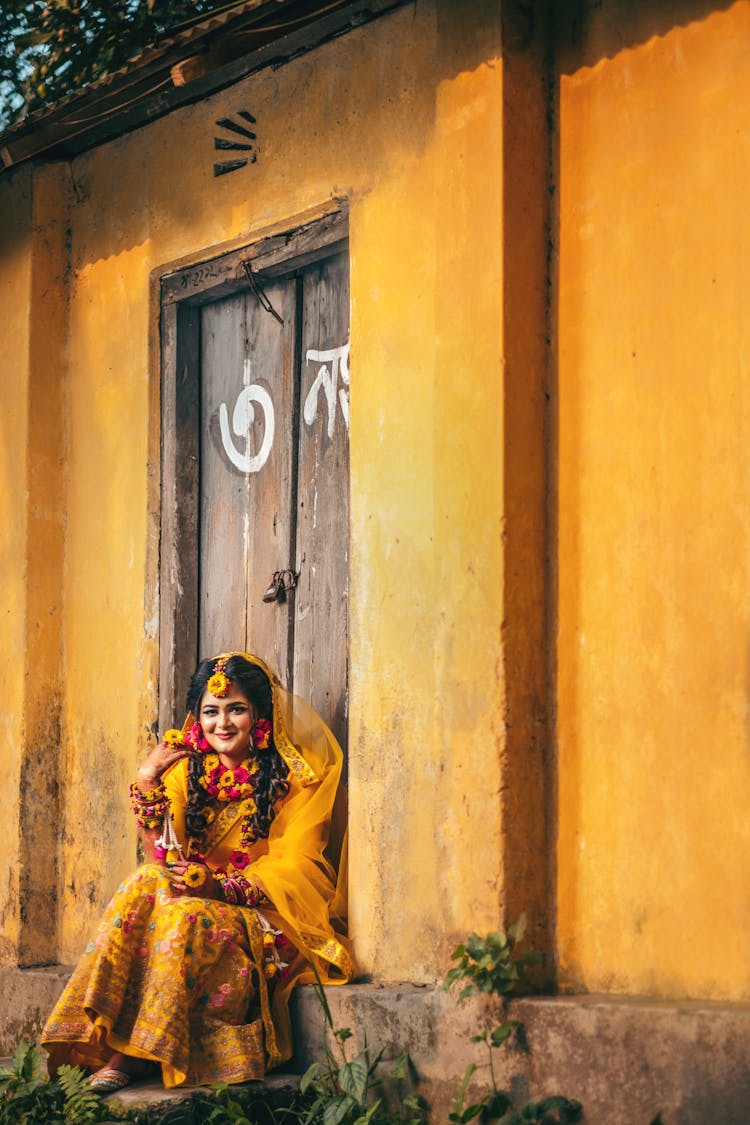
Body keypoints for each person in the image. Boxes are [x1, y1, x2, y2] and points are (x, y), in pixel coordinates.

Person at [42, 651, 352, 1091]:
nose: (221, 723)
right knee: (145, 882)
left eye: (236, 709)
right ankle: (102, 1038)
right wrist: (148, 778)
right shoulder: (188, 773)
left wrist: (219, 887)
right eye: (211, 711)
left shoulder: (295, 776)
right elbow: (161, 863)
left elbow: (299, 867)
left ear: (259, 715)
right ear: (197, 717)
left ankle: (129, 1057)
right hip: (191, 903)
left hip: (266, 914)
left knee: (184, 915)